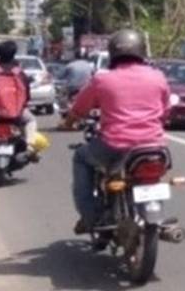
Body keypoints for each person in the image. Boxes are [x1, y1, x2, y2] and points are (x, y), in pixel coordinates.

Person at [61, 29, 170, 235]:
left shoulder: (103, 80)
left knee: (81, 157)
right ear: (142, 51)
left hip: (114, 146)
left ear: (112, 53)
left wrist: (68, 123)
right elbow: (164, 112)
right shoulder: (158, 77)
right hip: (154, 147)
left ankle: (90, 216)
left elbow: (78, 110)